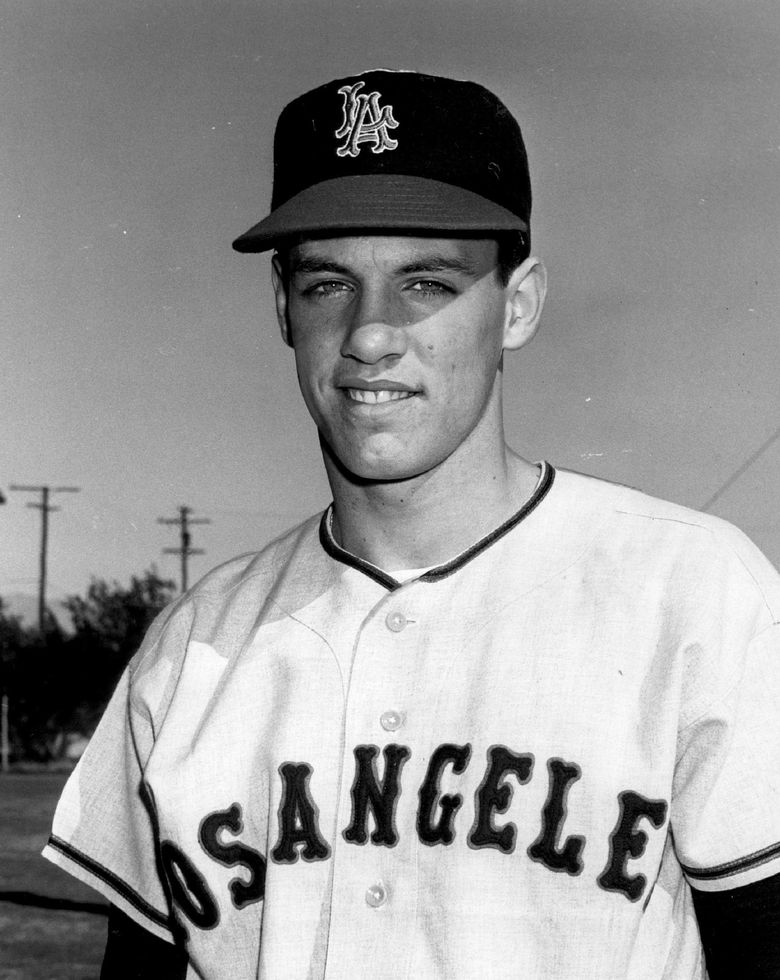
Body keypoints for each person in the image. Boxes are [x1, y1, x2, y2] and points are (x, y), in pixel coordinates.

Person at [44, 69, 780, 980]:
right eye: (327, 285)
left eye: (426, 282)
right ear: (283, 307)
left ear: (518, 305)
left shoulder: (698, 596)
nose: (371, 333)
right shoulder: (191, 648)